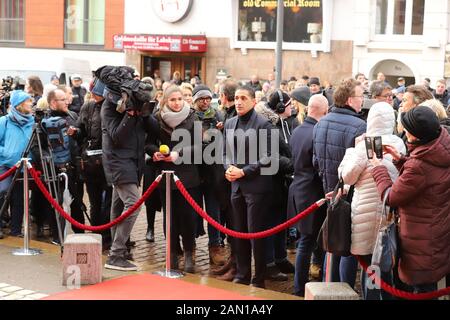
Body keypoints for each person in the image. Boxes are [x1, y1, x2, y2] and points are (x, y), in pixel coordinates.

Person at [370, 106, 450, 294]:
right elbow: (425, 180)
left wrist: (378, 168)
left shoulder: (419, 165)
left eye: (407, 129)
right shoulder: (440, 146)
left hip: (421, 239)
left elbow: (390, 197)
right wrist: (401, 160)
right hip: (436, 232)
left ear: (416, 135)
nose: (404, 132)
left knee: (422, 289)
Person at [338, 102, 406, 300]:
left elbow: (347, 177)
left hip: (365, 215)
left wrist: (351, 151)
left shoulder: (365, 146)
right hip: (388, 212)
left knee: (370, 266)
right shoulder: (398, 143)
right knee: (384, 266)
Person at [313, 78, 367, 288]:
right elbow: (360, 166)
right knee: (347, 246)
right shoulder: (359, 125)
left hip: (329, 190)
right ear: (350, 99)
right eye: (361, 96)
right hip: (349, 195)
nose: (363, 101)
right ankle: (345, 289)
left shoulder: (321, 122)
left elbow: (315, 161)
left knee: (332, 242)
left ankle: (329, 287)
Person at [101, 71, 156, 271]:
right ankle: (116, 254)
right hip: (118, 163)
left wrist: (144, 109)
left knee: (118, 208)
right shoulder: (108, 107)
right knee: (133, 203)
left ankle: (118, 253)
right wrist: (129, 114)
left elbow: (154, 129)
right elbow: (117, 136)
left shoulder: (135, 105)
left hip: (133, 163)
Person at [223, 85, 276, 288]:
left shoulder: (263, 124)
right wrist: (228, 168)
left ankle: (259, 277)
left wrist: (244, 171)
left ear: (253, 101)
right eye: (236, 98)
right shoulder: (229, 123)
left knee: (256, 235)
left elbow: (268, 156)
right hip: (235, 187)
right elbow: (224, 153)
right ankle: (243, 274)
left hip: (257, 188)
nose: (238, 101)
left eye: (243, 98)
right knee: (239, 233)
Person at [148, 84, 202, 273]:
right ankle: (172, 252)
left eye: (179, 99)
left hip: (188, 177)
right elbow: (149, 143)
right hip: (165, 176)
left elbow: (200, 147)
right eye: (173, 100)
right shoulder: (157, 119)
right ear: (165, 101)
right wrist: (155, 153)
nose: (177, 103)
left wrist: (180, 153)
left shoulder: (193, 118)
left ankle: (188, 252)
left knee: (187, 217)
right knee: (169, 218)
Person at [289, 94, 328, 297]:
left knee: (307, 240)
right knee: (306, 241)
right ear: (324, 111)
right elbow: (318, 165)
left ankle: (305, 280)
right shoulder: (316, 132)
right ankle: (299, 287)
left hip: (298, 189)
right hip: (311, 191)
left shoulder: (298, 130)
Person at [70, 78, 113, 249]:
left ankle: (108, 236)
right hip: (91, 163)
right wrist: (75, 132)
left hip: (109, 162)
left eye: (98, 92)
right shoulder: (87, 106)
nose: (94, 95)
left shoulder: (112, 107)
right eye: (93, 91)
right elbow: (81, 130)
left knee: (109, 202)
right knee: (95, 201)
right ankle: (96, 236)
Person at [192, 84, 228, 266]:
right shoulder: (190, 117)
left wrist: (220, 132)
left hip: (213, 172)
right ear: (195, 100)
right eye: (201, 99)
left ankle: (215, 246)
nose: (205, 102)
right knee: (192, 211)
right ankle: (189, 248)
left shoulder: (218, 115)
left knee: (214, 212)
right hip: (195, 172)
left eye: (207, 98)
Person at [0, 91, 34, 238]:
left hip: (24, 167)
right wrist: (7, 152)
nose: (31, 104)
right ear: (20, 105)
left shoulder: (33, 122)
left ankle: (16, 230)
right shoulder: (4, 121)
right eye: (28, 101)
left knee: (19, 199)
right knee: (2, 194)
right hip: (5, 165)